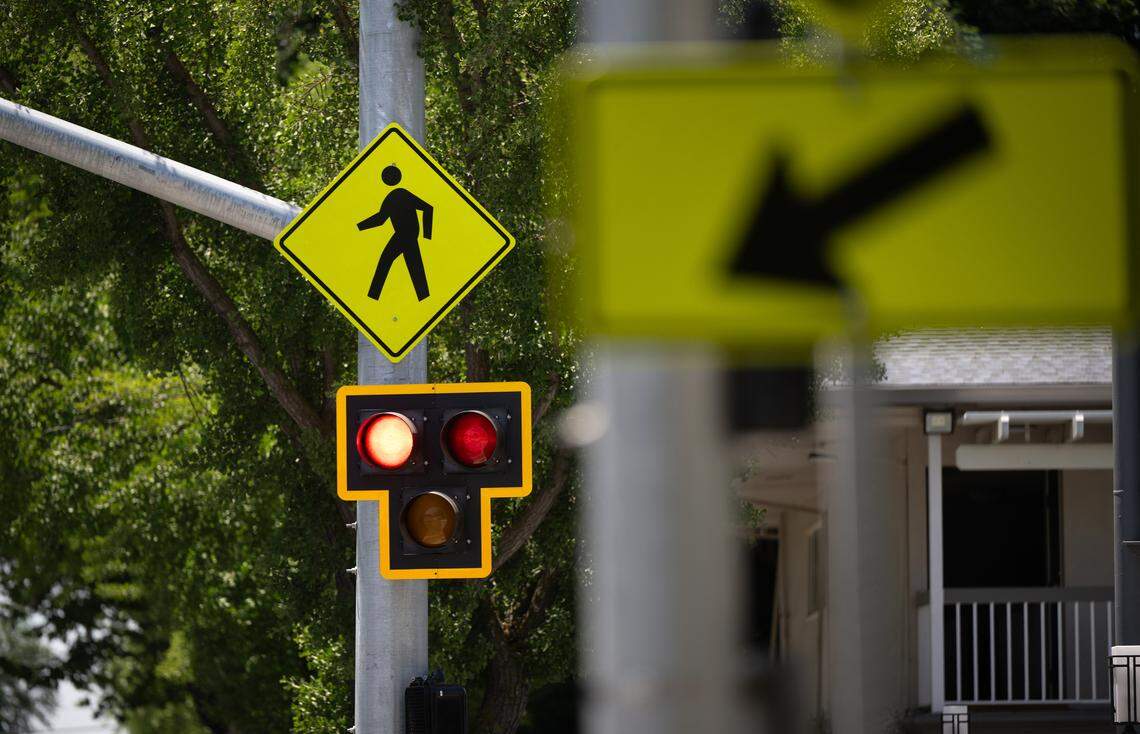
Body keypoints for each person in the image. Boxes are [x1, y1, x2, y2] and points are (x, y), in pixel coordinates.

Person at [357, 164, 434, 301]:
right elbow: (380, 219)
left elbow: (428, 208)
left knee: (387, 261)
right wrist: (359, 226)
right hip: (407, 235)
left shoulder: (398, 194)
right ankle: (424, 298)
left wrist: (427, 236)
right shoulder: (396, 195)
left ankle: (373, 296)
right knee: (414, 266)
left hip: (405, 235)